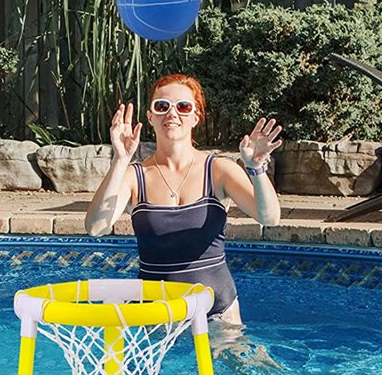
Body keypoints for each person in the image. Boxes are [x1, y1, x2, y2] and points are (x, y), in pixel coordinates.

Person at [86, 74, 282, 324]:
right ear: (150, 117)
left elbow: (269, 217)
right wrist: (120, 160)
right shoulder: (134, 176)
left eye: (183, 107)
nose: (172, 113)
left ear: (195, 117)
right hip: (155, 316)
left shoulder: (219, 170)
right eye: (162, 106)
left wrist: (256, 169)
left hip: (219, 314)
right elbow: (96, 228)